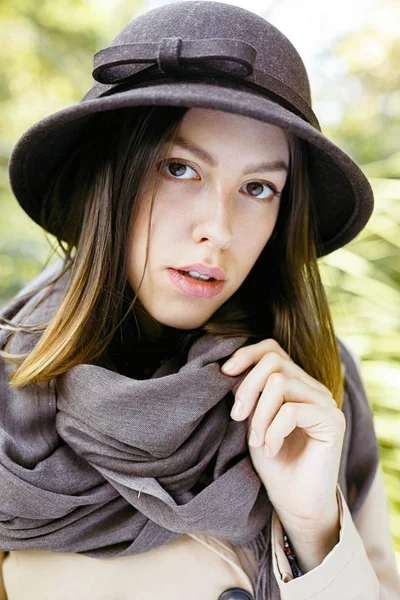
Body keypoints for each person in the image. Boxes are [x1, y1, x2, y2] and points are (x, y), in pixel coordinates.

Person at [0, 1, 399, 599]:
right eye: (180, 169)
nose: (220, 228)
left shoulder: (314, 383)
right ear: (110, 179)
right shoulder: (10, 386)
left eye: (258, 187)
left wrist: (315, 529)